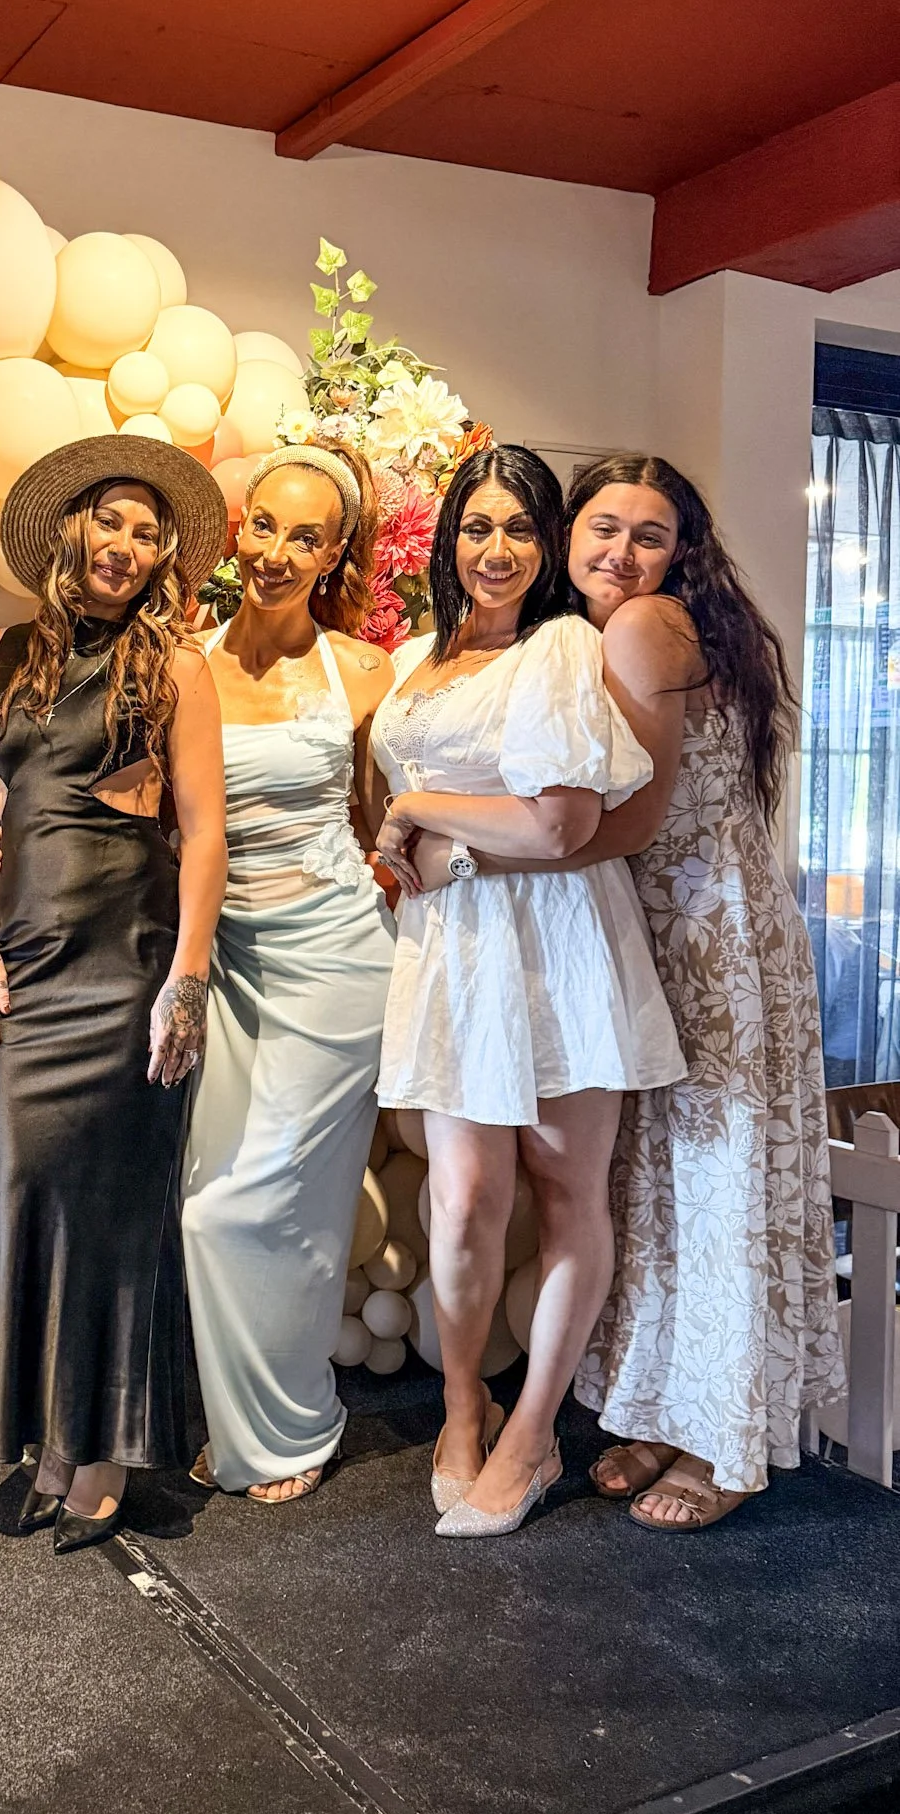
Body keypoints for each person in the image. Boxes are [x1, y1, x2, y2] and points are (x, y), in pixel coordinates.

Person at [415, 456, 842, 1527]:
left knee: (715, 1183)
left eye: (649, 535)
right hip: (639, 926)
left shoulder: (643, 627)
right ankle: (664, 1406)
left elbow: (635, 822)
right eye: (603, 527)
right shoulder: (585, 635)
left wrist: (454, 847)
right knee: (651, 1188)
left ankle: (731, 1443)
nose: (621, 552)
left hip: (708, 939)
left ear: (679, 553)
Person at [370, 443, 684, 1539]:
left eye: (519, 528)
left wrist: (419, 803)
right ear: (448, 540)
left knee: (564, 1192)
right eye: (476, 526)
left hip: (558, 949)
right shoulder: (418, 653)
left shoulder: (559, 647)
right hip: (452, 948)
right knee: (459, 1200)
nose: (495, 548)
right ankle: (464, 1406)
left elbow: (563, 823)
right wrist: (404, 836)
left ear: (547, 547)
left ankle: (534, 1430)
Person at [0, 433, 227, 1555]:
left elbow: (205, 831)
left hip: (130, 962)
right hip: (26, 963)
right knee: (31, 1191)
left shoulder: (176, 668)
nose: (126, 543)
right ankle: (50, 1429)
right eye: (110, 520)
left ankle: (103, 1446)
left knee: (116, 1212)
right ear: (70, 530)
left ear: (163, 557)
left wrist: (187, 980)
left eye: (147, 531)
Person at [179, 446, 396, 1503]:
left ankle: (293, 1422)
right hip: (227, 968)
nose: (273, 553)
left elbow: (375, 819)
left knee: (257, 1209)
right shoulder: (183, 661)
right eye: (262, 525)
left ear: (334, 551)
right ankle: (248, 1414)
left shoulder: (361, 669)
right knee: (228, 1195)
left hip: (340, 966)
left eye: (302, 536)